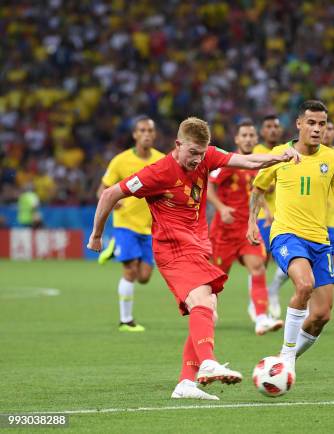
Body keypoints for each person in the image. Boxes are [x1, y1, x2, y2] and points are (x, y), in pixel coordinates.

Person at [87, 117, 299, 400]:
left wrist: (280, 156)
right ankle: (208, 363)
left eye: (201, 153)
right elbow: (111, 193)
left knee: (209, 307)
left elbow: (248, 162)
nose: (197, 159)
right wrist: (96, 235)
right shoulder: (158, 172)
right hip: (172, 250)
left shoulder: (206, 157)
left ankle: (186, 383)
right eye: (192, 153)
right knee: (203, 302)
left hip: (198, 247)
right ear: (178, 145)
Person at [247, 100, 334, 370]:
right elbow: (258, 190)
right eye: (311, 123)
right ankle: (287, 357)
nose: (316, 129)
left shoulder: (333, 159)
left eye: (322, 124)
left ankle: (285, 358)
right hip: (287, 235)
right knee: (304, 285)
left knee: (322, 315)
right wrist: (252, 223)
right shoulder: (279, 155)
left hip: (320, 241)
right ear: (299, 124)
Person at [207, 119, 284, 335]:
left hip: (247, 228)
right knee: (217, 279)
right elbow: (209, 187)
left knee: (258, 266)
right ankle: (207, 312)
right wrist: (221, 208)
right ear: (237, 139)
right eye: (245, 135)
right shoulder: (228, 162)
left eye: (252, 135)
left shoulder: (256, 164)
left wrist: (266, 211)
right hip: (224, 230)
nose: (249, 139)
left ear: (256, 139)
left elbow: (255, 193)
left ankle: (261, 318)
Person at [266, 119, 334, 297]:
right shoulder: (287, 153)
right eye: (313, 124)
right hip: (295, 225)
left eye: (326, 126)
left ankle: (314, 286)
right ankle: (282, 283)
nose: (322, 131)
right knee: (301, 277)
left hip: (329, 224)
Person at [96, 116, 165, 332]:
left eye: (150, 131)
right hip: (125, 224)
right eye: (142, 130)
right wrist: (113, 203)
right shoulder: (120, 160)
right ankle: (125, 321)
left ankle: (114, 249)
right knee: (130, 272)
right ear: (135, 134)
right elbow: (102, 190)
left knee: (144, 277)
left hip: (149, 227)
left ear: (154, 135)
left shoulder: (162, 160)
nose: (146, 134)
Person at [251, 114, 284, 319]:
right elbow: (256, 186)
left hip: (284, 217)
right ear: (262, 132)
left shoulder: (285, 151)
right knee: (261, 262)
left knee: (287, 261)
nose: (272, 130)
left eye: (275, 126)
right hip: (265, 216)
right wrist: (267, 210)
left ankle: (272, 291)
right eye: (268, 126)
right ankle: (257, 304)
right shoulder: (258, 152)